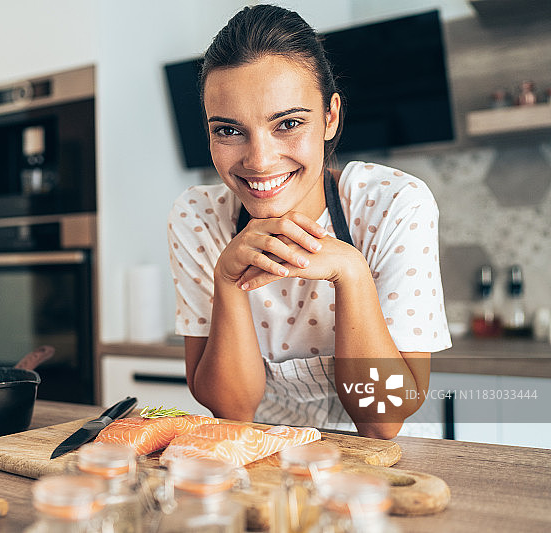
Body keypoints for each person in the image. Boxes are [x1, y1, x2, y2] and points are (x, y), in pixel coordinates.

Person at [167, 4, 451, 439]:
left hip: (388, 462)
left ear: (330, 117)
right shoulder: (198, 218)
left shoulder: (394, 204)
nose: (259, 160)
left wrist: (351, 272)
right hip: (267, 452)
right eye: (228, 130)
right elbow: (233, 410)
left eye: (288, 123)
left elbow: (383, 419)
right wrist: (227, 281)